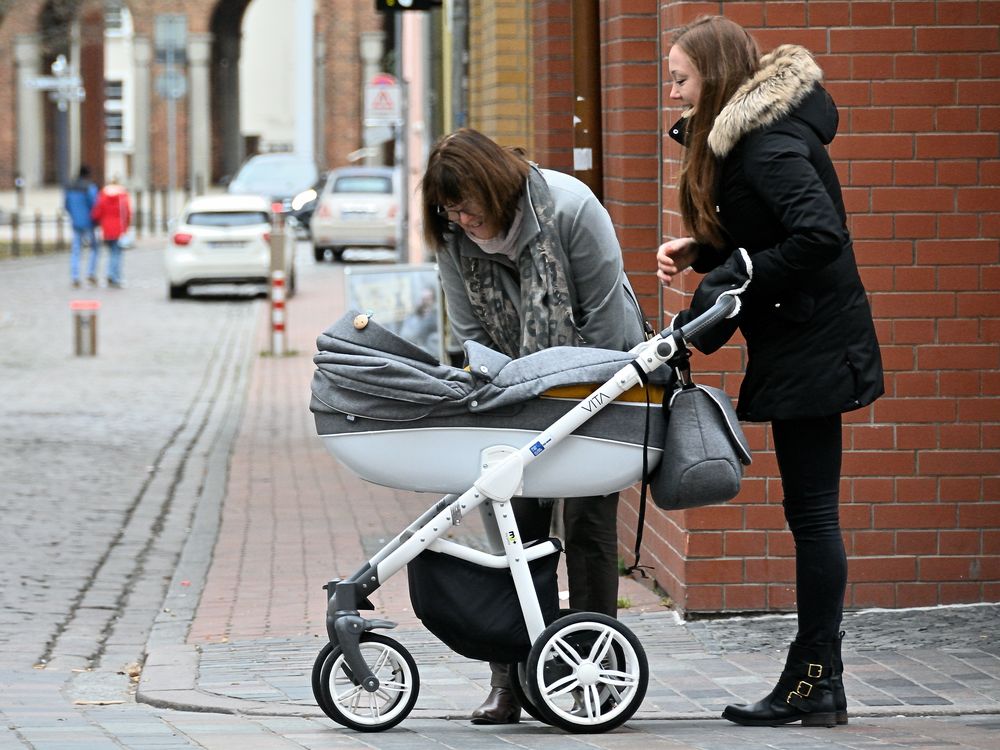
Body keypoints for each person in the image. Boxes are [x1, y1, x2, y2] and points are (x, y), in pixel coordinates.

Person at [658, 16, 884, 727]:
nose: (672, 94)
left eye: (680, 79)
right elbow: (776, 227)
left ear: (716, 77)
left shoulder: (768, 143)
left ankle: (816, 681)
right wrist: (707, 248)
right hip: (802, 340)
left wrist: (735, 273)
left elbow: (818, 233)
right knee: (807, 513)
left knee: (813, 516)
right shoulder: (748, 141)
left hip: (816, 344)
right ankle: (817, 680)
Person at [421, 128, 647, 724]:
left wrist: (574, 402)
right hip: (513, 395)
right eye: (449, 209)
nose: (462, 219)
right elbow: (470, 337)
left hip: (601, 385)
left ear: (494, 188)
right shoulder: (453, 237)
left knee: (590, 526)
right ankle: (513, 677)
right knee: (514, 525)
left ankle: (597, 674)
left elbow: (604, 323)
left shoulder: (571, 210)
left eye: (467, 204)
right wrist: (507, 395)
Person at [91, 177, 132, 288]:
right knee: (117, 253)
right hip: (119, 228)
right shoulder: (122, 196)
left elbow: (97, 212)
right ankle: (114, 276)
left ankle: (111, 273)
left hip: (106, 228)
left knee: (111, 253)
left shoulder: (103, 195)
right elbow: (127, 213)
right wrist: (126, 227)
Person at [64, 165, 99, 287]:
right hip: (89, 222)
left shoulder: (70, 187)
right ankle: (91, 273)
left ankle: (75, 276)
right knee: (94, 248)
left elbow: (66, 205)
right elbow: (95, 204)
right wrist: (95, 219)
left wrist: (74, 216)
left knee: (76, 250)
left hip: (75, 222)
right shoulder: (90, 187)